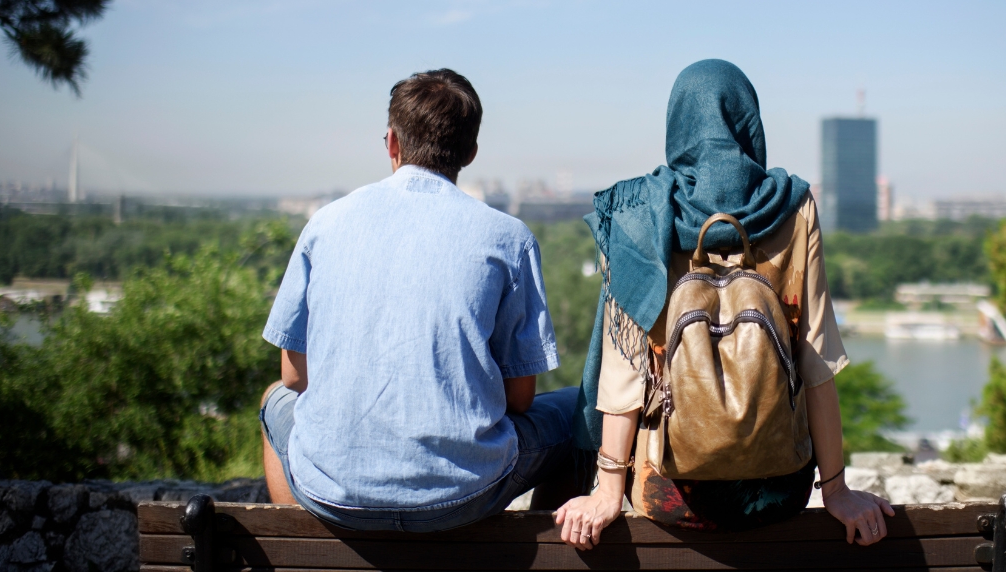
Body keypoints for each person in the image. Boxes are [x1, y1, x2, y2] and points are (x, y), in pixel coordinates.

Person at [554, 59, 895, 548]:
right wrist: (836, 492)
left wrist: (608, 491)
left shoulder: (638, 214)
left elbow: (623, 370)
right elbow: (816, 360)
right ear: (748, 124)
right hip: (778, 489)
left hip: (666, 495)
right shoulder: (794, 206)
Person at [259, 69, 583, 531]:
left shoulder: (325, 224)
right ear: (470, 152)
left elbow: (293, 376)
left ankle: (299, 545)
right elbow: (520, 398)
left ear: (391, 143)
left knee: (274, 398)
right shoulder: (508, 237)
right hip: (464, 494)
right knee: (580, 408)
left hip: (332, 494)